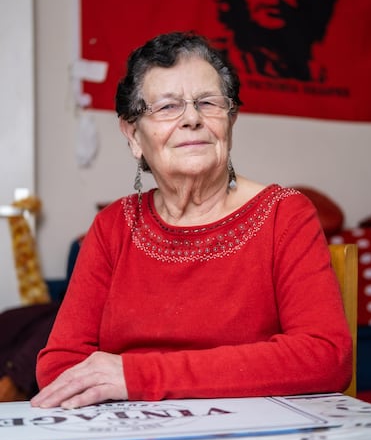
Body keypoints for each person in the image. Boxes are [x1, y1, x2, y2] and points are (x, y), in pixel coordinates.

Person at [31, 31, 351, 410]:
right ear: (133, 135)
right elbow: (59, 366)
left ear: (230, 121)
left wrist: (136, 376)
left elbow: (325, 356)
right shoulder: (112, 227)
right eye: (167, 107)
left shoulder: (285, 214)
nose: (193, 120)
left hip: (253, 438)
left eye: (208, 103)